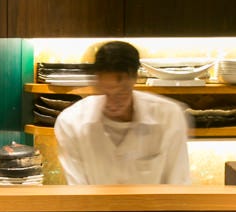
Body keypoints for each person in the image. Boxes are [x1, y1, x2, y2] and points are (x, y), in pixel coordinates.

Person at [53, 40, 190, 185]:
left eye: (121, 94)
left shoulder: (168, 116)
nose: (112, 104)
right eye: (105, 93)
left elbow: (178, 183)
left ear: (134, 79)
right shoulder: (71, 122)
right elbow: (77, 189)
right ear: (96, 83)